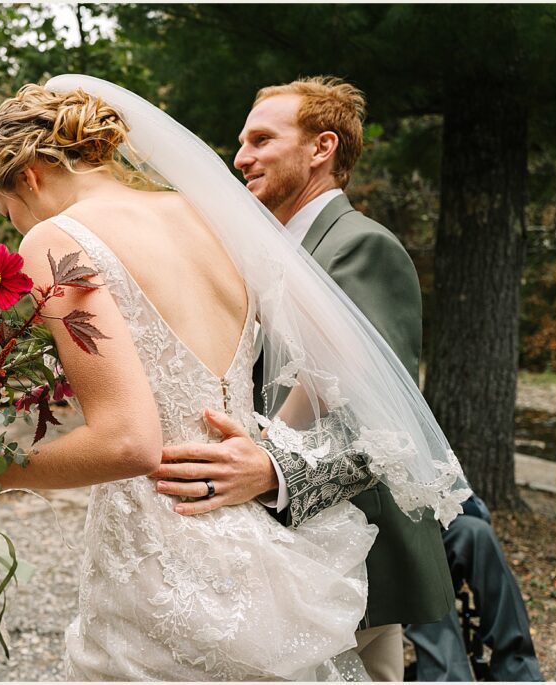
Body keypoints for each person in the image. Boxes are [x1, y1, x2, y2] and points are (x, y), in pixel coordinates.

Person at [0, 76, 469, 681]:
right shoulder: (207, 217)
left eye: (12, 212)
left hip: (160, 530)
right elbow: (348, 352)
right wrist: (265, 448)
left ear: (28, 176)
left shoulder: (56, 239)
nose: (19, 226)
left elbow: (128, 442)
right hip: (249, 526)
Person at [149, 77, 455, 681]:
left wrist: (272, 469)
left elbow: (382, 419)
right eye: (241, 143)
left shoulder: (362, 246)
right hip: (279, 543)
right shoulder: (260, 251)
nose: (241, 158)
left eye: (262, 139)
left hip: (355, 550)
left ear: (322, 148)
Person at [405, 493, 543, 681]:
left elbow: (475, 508)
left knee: (476, 531)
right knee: (419, 550)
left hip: (434, 529)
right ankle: (449, 678)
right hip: (386, 547)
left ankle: (519, 672)